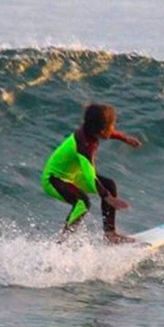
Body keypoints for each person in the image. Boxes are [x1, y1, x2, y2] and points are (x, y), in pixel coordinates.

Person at [41, 103, 142, 243]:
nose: (113, 128)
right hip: (53, 179)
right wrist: (107, 197)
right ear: (101, 131)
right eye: (111, 125)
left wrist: (124, 138)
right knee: (82, 202)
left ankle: (110, 235)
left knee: (109, 185)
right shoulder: (85, 146)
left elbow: (108, 133)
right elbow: (89, 176)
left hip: (72, 175)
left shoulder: (89, 131)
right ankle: (61, 244)